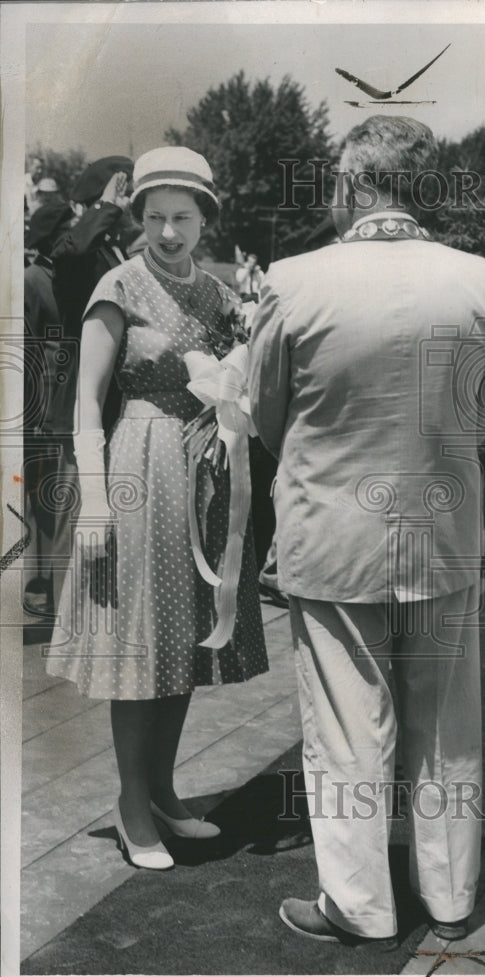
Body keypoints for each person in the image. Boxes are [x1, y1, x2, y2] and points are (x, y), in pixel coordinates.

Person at [248, 116, 485, 945]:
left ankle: (358, 903)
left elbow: (265, 413)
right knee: (447, 722)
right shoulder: (481, 280)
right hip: (441, 530)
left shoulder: (293, 281)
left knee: (348, 725)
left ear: (355, 183)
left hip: (334, 534)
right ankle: (452, 894)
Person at [47, 146, 269, 870]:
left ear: (205, 219)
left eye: (181, 217)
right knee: (138, 642)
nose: (167, 232)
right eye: (153, 217)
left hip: (202, 466)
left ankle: (166, 793)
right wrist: (93, 502)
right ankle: (131, 806)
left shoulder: (219, 293)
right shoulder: (118, 284)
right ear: (137, 217)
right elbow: (87, 398)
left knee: (182, 639)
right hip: (138, 463)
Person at [51, 155, 138, 434]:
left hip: (114, 398)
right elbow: (74, 251)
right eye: (124, 195)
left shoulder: (116, 251)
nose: (128, 204)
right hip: (81, 398)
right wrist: (107, 203)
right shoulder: (81, 252)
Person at [23, 199, 76, 616]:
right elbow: (28, 353)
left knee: (60, 503)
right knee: (45, 503)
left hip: (68, 404)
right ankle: (41, 588)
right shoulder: (33, 280)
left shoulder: (64, 276)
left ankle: (54, 588)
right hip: (45, 412)